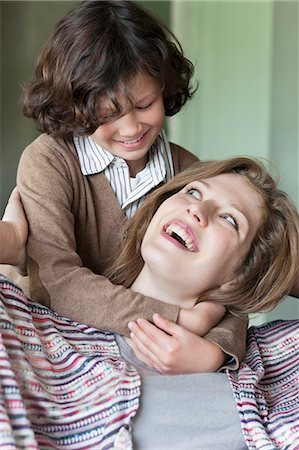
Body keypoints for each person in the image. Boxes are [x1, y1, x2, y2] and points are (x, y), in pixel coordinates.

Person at [1, 157, 298, 448]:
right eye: (193, 192)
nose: (197, 209)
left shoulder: (266, 364)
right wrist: (10, 240)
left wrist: (215, 353)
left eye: (229, 219)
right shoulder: (25, 325)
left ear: (239, 276)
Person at [17, 0, 248, 373]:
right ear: (74, 105)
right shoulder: (48, 162)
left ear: (165, 87)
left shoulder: (188, 176)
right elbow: (57, 281)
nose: (131, 129)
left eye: (145, 105)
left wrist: (215, 352)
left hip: (153, 357)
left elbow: (229, 287)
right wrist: (178, 318)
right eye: (107, 116)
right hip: (62, 346)